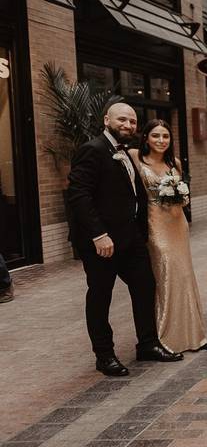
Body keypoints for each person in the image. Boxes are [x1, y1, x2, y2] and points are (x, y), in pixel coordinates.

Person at [66, 102, 183, 376]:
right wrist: (99, 234)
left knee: (145, 286)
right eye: (122, 120)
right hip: (102, 243)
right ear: (106, 119)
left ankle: (147, 345)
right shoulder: (92, 150)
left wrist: (140, 233)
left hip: (130, 238)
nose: (128, 125)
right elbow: (78, 195)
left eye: (132, 121)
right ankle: (104, 355)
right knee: (100, 296)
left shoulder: (125, 153)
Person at [130, 119, 207, 353]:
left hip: (178, 224)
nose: (161, 141)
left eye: (165, 136)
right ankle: (167, 338)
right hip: (156, 226)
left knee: (184, 276)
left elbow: (184, 197)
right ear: (146, 137)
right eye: (156, 136)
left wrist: (182, 195)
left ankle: (193, 335)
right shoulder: (136, 157)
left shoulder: (173, 163)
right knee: (165, 275)